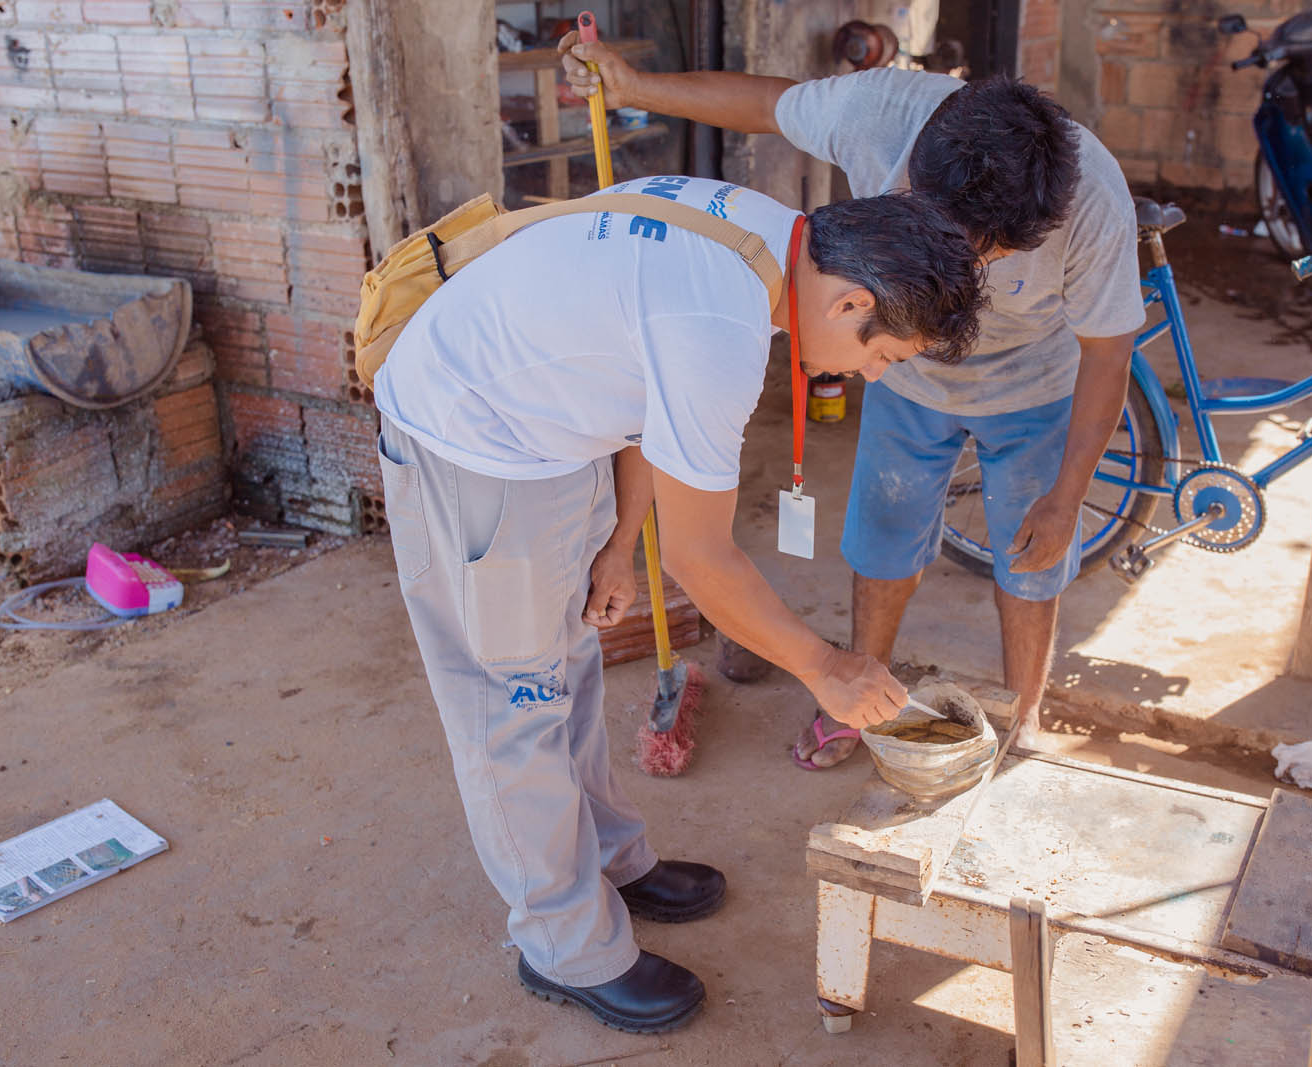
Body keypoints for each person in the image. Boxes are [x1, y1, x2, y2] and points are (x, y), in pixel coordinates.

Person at [372, 175, 986, 1034]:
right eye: (884, 354)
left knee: (571, 658)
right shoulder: (721, 330)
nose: (871, 373)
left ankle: (612, 864)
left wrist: (619, 541)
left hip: (552, 434)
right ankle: (564, 944)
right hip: (473, 446)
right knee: (514, 704)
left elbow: (633, 388)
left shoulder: (765, 226)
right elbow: (705, 559)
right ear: (851, 301)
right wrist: (826, 668)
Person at [560, 45, 1145, 766]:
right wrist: (633, 85)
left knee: (1032, 555)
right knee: (883, 538)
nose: (966, 273)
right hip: (911, 386)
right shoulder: (881, 114)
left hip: (1031, 385)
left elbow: (1108, 354)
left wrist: (1068, 496)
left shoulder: (1093, 203)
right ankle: (856, 696)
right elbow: (765, 104)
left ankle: (1021, 721)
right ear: (917, 178)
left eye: (988, 260)